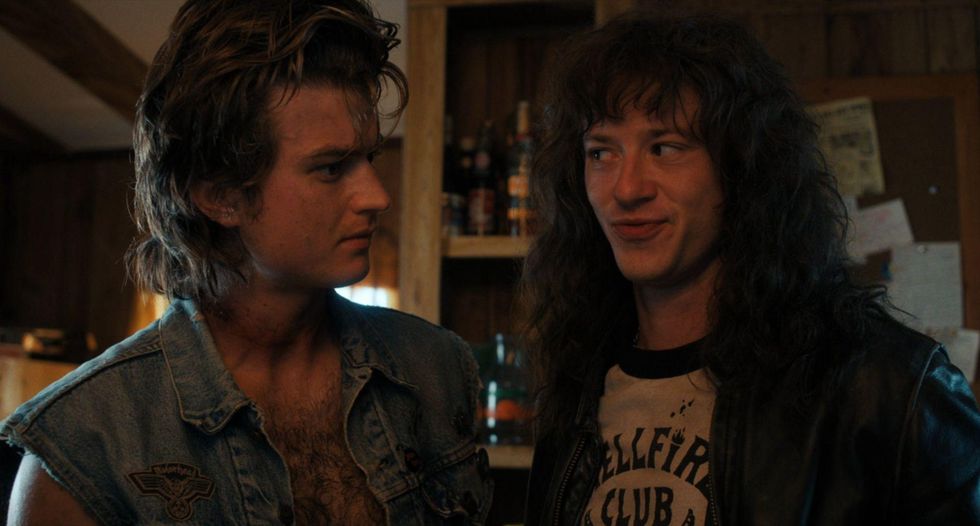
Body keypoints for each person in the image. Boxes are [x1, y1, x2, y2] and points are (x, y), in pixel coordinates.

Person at [1, 0, 492, 524]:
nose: (377, 196)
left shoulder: (435, 368)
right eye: (331, 168)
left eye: (368, 157)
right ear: (220, 195)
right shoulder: (83, 449)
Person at [521, 10, 980, 526]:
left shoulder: (888, 388)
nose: (626, 189)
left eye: (664, 147)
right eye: (601, 153)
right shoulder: (578, 386)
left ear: (740, 167)